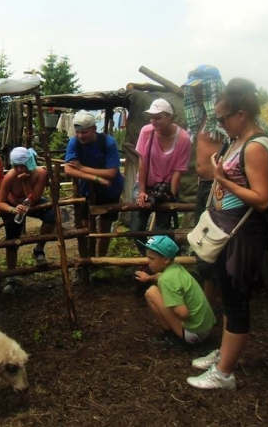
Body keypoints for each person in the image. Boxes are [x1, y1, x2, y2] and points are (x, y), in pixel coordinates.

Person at [187, 78, 268, 391]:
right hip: (229, 229)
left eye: (223, 119)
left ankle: (224, 373)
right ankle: (224, 355)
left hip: (243, 233)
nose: (221, 125)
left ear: (241, 114)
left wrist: (221, 181)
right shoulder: (240, 141)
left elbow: (262, 198)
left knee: (237, 299)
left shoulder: (255, 147)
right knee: (229, 295)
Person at [182, 65, 226, 304]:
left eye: (201, 89)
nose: (197, 94)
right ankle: (210, 295)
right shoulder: (201, 118)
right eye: (194, 90)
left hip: (221, 188)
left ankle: (216, 297)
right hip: (204, 186)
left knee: (216, 240)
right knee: (202, 240)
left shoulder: (224, 119)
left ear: (212, 87)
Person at [64, 110, 124, 279]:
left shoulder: (108, 142)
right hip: (86, 191)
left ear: (93, 128)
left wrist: (82, 169)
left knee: (104, 227)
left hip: (110, 190)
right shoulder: (74, 142)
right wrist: (97, 177)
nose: (80, 136)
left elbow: (112, 173)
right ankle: (85, 262)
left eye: (84, 132)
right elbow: (68, 168)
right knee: (84, 227)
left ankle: (100, 261)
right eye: (78, 132)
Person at [131, 98, 191, 253]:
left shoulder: (183, 138)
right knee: (136, 228)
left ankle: (161, 261)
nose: (154, 121)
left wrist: (171, 194)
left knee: (161, 230)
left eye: (158, 117)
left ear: (169, 117)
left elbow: (178, 170)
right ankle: (148, 258)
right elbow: (142, 162)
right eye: (152, 117)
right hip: (145, 182)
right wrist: (142, 191)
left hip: (167, 186)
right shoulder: (147, 132)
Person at [135, 235, 215, 348]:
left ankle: (170, 337)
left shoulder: (166, 280)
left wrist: (170, 302)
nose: (148, 262)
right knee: (155, 291)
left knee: (151, 293)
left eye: (152, 259)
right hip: (205, 328)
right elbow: (160, 276)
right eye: (147, 257)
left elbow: (183, 313)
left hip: (194, 334)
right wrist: (148, 278)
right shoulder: (175, 269)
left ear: (166, 259)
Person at [0, 147, 56, 294]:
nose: (18, 169)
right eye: (15, 166)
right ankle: (11, 277)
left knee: (52, 215)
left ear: (29, 162)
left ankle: (39, 249)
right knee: (12, 239)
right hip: (13, 206)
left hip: (31, 202)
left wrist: (24, 182)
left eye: (21, 165)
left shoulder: (40, 173)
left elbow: (33, 200)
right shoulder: (10, 176)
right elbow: (0, 202)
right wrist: (12, 210)